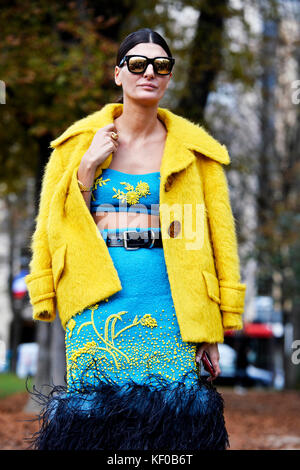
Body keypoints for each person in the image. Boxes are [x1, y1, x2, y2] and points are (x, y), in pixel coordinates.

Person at [25, 28, 246, 450]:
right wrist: (88, 167)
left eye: (161, 66)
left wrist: (211, 327)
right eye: (138, 64)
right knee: (97, 426)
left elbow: (215, 241)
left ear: (168, 77)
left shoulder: (198, 154)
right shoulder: (74, 147)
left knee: (170, 429)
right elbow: (53, 228)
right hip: (99, 298)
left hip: (171, 300)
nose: (149, 73)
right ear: (118, 74)